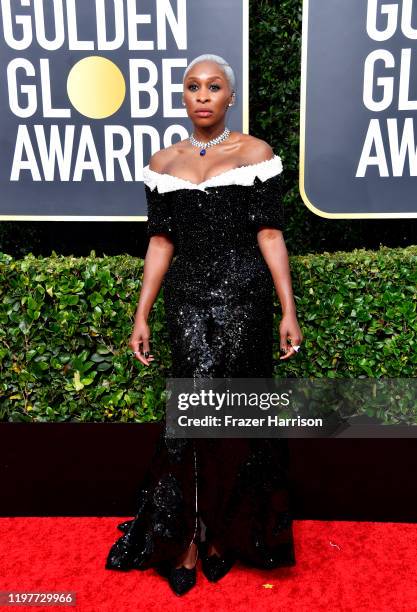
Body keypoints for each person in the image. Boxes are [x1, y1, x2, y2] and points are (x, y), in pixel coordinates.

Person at [105, 53, 303, 596]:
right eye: (193, 86)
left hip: (244, 299)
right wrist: (142, 313)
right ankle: (189, 537)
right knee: (190, 419)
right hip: (187, 302)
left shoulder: (256, 154)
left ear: (229, 97)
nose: (203, 95)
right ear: (184, 97)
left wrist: (287, 309)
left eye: (214, 87)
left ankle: (224, 535)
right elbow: (160, 244)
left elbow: (269, 236)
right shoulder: (163, 162)